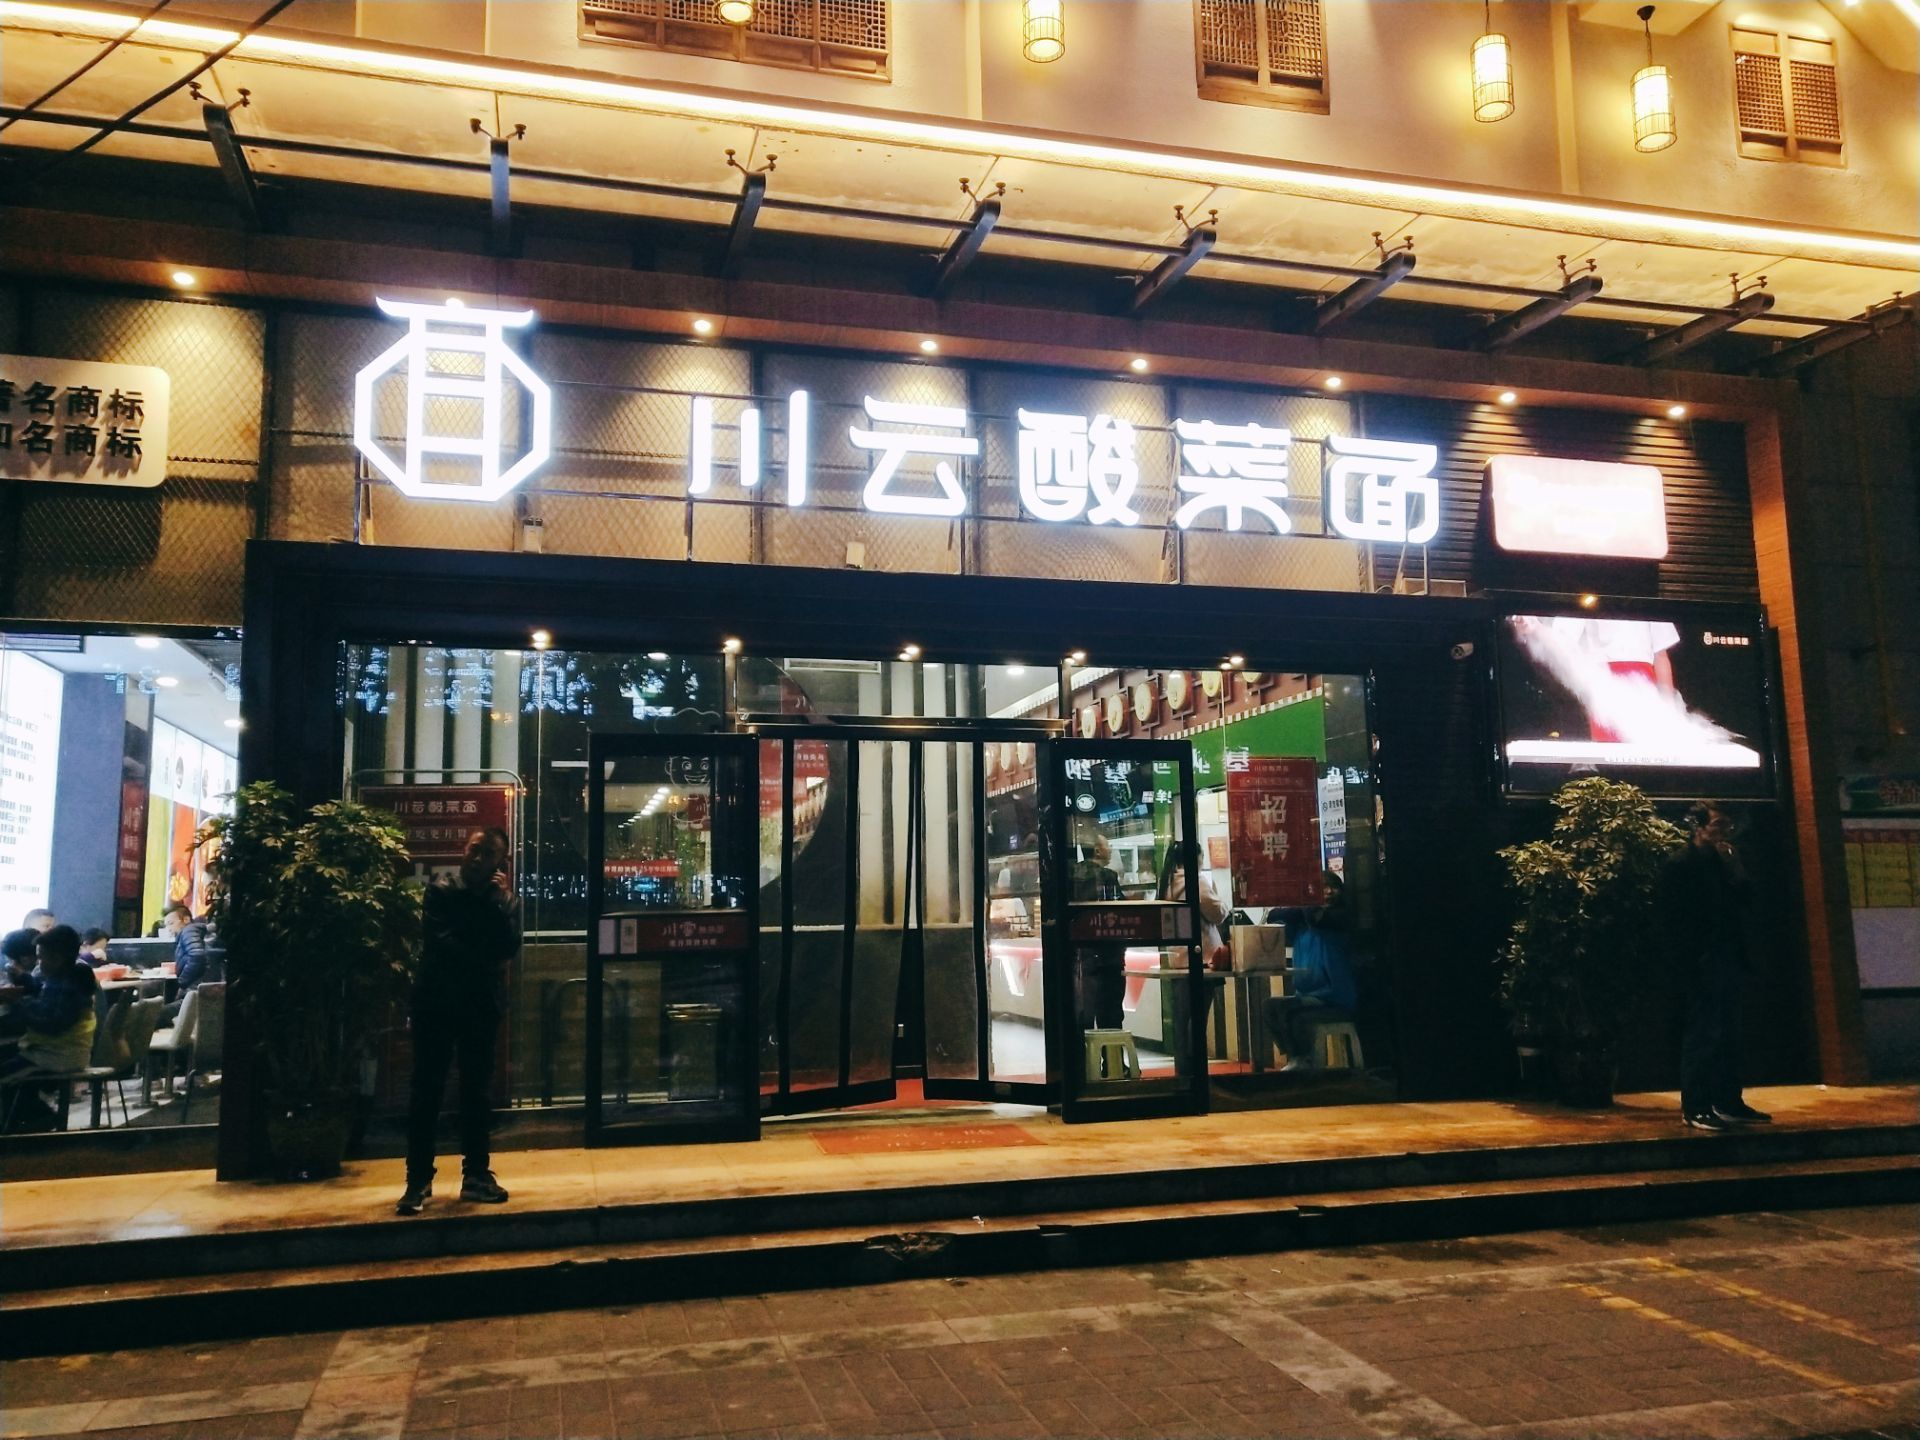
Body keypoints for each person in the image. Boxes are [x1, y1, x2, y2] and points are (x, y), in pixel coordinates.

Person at [398, 827, 519, 1215]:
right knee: (426, 1091)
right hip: (436, 1004)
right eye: (474, 849)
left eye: (488, 853)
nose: (478, 858)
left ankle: (476, 1175)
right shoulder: (441, 889)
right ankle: (418, 1180)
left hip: (480, 1006)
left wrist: (495, 907)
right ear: (465, 850)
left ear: (500, 863)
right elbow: (441, 943)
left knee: (476, 1092)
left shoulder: (504, 900)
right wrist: (484, 951)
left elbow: (508, 946)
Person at [1657, 802, 1771, 1131]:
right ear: (1698, 827)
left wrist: (1737, 869)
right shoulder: (1680, 864)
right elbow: (1669, 920)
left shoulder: (1724, 863)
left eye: (1727, 826)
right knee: (1703, 1034)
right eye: (1717, 825)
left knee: (1730, 1034)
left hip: (1728, 957)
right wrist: (1688, 962)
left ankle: (1728, 1102)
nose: (1724, 833)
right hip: (1700, 962)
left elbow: (1746, 902)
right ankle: (1696, 1106)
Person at [0, 926, 100, 1131]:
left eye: (41, 958)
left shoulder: (67, 986)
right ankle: (25, 1119)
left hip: (55, 1055)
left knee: (6, 1075)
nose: (39, 963)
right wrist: (23, 979)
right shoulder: (70, 977)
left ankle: (39, 1118)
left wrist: (19, 1003)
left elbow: (49, 1022)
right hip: (62, 1051)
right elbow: (42, 989)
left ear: (57, 959)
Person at [1264, 871, 1358, 1071]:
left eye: (1334, 887)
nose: (1329, 891)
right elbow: (1275, 915)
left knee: (1295, 1017)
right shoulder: (1302, 924)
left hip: (1334, 997)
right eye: (1323, 888)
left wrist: (1304, 901)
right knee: (1270, 1007)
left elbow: (1316, 917)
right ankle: (1298, 1058)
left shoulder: (1338, 919)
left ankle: (1305, 1061)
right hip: (1309, 995)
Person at [1159, 841, 1229, 1070]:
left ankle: (1183, 1070)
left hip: (1177, 959)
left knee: (1181, 1020)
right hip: (1202, 959)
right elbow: (1217, 913)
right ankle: (1197, 1069)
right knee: (1198, 1019)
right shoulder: (1196, 881)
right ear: (1195, 858)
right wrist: (1223, 902)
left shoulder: (1167, 882)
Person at [1070, 822, 1126, 1033]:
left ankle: (1082, 1053)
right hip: (1108, 957)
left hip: (1081, 957)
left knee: (1083, 1015)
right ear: (1097, 850)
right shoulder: (1108, 877)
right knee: (1110, 1015)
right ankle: (1110, 1054)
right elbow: (1121, 912)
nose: (1110, 849)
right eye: (1107, 845)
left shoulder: (1072, 875)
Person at [161, 917, 222, 1024]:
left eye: (171, 923)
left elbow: (197, 955)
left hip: (195, 993)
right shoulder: (204, 934)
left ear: (186, 919)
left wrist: (182, 982)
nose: (169, 928)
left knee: (153, 1015)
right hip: (205, 993)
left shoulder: (189, 931)